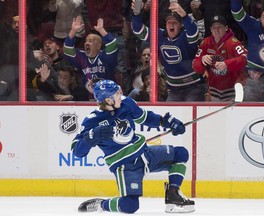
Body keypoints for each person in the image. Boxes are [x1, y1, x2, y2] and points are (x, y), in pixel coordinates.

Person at [71, 79, 195, 213]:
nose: (121, 95)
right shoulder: (92, 121)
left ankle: (173, 194)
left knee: (181, 153)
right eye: (117, 94)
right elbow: (77, 151)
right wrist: (91, 138)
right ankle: (102, 204)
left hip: (145, 154)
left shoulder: (126, 103)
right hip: (126, 166)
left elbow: (145, 118)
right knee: (130, 206)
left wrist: (166, 122)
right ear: (108, 100)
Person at [131, 0, 206, 101]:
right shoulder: (160, 35)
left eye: (175, 23)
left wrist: (184, 16)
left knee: (189, 114)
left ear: (180, 25)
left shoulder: (185, 36)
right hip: (173, 89)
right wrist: (136, 14)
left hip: (194, 86)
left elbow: (193, 32)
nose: (171, 25)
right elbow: (138, 30)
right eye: (169, 22)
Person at [192, 15, 248, 102]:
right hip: (214, 91)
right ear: (210, 29)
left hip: (233, 90)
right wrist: (202, 60)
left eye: (219, 27)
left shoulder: (233, 42)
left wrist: (227, 64)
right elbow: (196, 66)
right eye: (214, 27)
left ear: (226, 28)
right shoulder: (206, 43)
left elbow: (244, 58)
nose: (216, 29)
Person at [63, 16, 118, 99]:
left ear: (98, 46)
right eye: (86, 41)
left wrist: (101, 30)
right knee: (79, 91)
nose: (87, 43)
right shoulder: (81, 57)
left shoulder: (105, 56)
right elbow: (67, 49)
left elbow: (112, 44)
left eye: (91, 41)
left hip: (109, 97)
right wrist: (73, 31)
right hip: (88, 98)